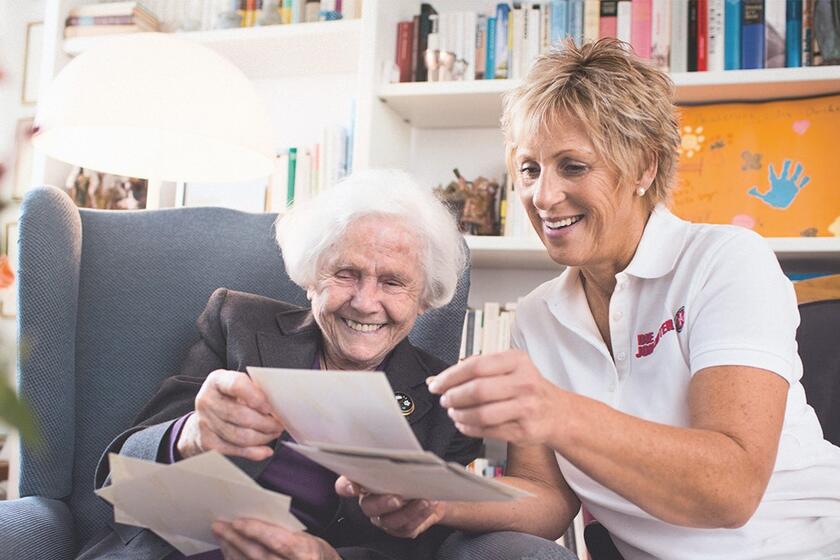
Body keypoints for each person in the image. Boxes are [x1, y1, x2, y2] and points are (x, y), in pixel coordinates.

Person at [338, 39, 840, 560]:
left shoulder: (725, 260)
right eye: (530, 168)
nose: (544, 196)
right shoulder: (538, 314)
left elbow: (731, 490)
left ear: (644, 167)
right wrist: (440, 499)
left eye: (573, 166)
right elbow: (547, 498)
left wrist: (555, 412)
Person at [79, 170, 484, 560]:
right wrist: (190, 435)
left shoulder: (447, 398)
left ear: (424, 297)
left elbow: (423, 545)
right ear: (310, 276)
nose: (364, 301)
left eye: (393, 282)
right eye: (346, 273)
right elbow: (121, 478)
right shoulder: (238, 324)